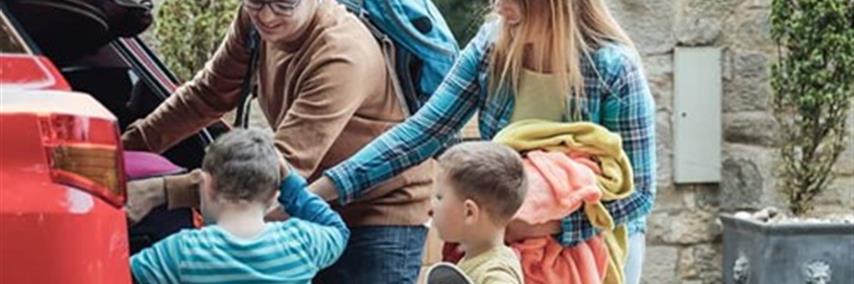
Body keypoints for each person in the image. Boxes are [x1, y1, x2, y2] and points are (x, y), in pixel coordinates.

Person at [308, 0, 657, 283]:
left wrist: (544, 224)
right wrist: (318, 191)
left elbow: (638, 194)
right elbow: (419, 134)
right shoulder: (492, 47)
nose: (497, 7)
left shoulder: (614, 68)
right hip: (503, 244)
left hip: (592, 248)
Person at [123, 0, 435, 282]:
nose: (267, 15)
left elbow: (273, 170)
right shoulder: (253, 23)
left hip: (378, 215)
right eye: (256, 2)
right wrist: (120, 152)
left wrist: (160, 190)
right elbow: (204, 97)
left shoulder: (342, 54)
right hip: (306, 204)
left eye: (284, 5)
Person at [130, 129, 349, 283]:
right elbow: (337, 229)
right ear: (274, 195)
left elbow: (115, 275)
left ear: (206, 185)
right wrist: (291, 183)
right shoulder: (302, 241)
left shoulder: (183, 251)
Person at [431, 142, 527, 284]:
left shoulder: (496, 275)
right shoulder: (477, 258)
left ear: (469, 212)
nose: (431, 207)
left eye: (440, 197)